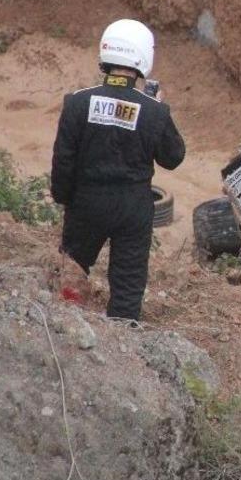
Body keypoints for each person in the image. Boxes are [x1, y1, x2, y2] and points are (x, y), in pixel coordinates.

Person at [51, 19, 186, 321]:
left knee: (72, 268)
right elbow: (173, 157)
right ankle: (123, 340)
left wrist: (65, 199)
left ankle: (66, 326)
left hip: (86, 202)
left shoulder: (77, 102)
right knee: (127, 285)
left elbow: (63, 159)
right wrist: (158, 111)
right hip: (132, 208)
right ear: (143, 56)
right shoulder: (153, 110)